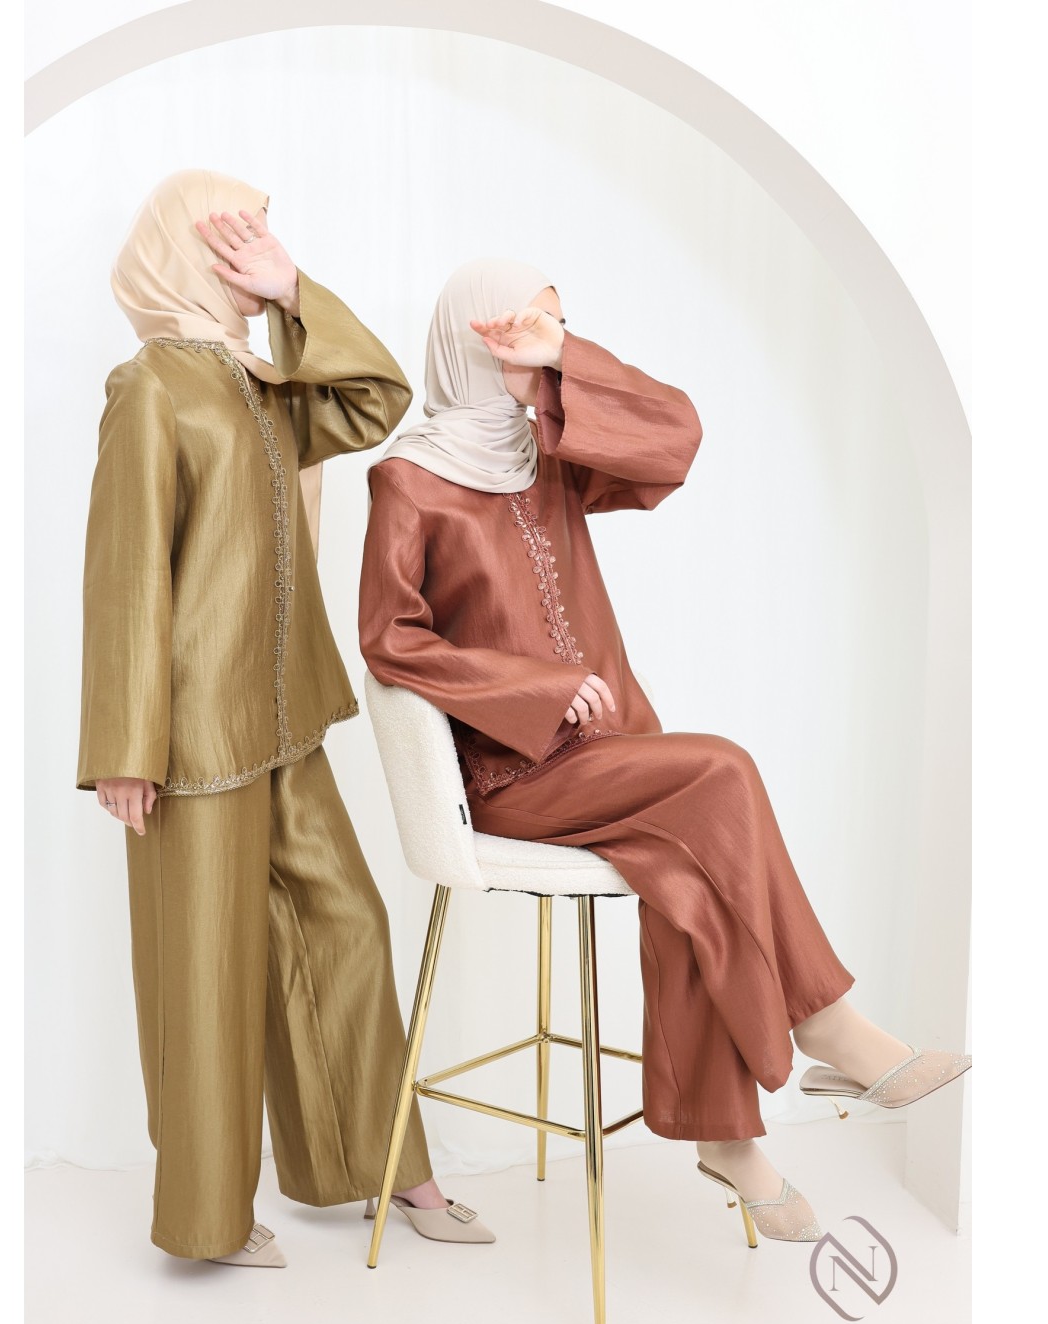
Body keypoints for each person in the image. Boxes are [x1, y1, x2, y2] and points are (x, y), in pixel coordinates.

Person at [358, 258, 971, 1244]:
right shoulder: (408, 478)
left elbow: (672, 438)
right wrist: (537, 690)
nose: (540, 349)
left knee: (687, 875)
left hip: (609, 759)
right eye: (523, 329)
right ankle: (827, 1025)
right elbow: (390, 640)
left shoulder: (548, 453)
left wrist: (563, 361)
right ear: (469, 338)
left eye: (556, 328)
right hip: (513, 773)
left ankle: (727, 1138)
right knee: (721, 769)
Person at [77, 172, 492, 1268]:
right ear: (184, 248)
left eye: (264, 232)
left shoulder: (267, 385)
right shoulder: (149, 386)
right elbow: (126, 571)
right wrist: (124, 748)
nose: (256, 246)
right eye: (237, 232)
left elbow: (376, 399)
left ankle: (385, 1166)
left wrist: (294, 290)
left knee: (346, 926)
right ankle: (207, 1219)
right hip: (188, 740)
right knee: (206, 976)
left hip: (285, 719)